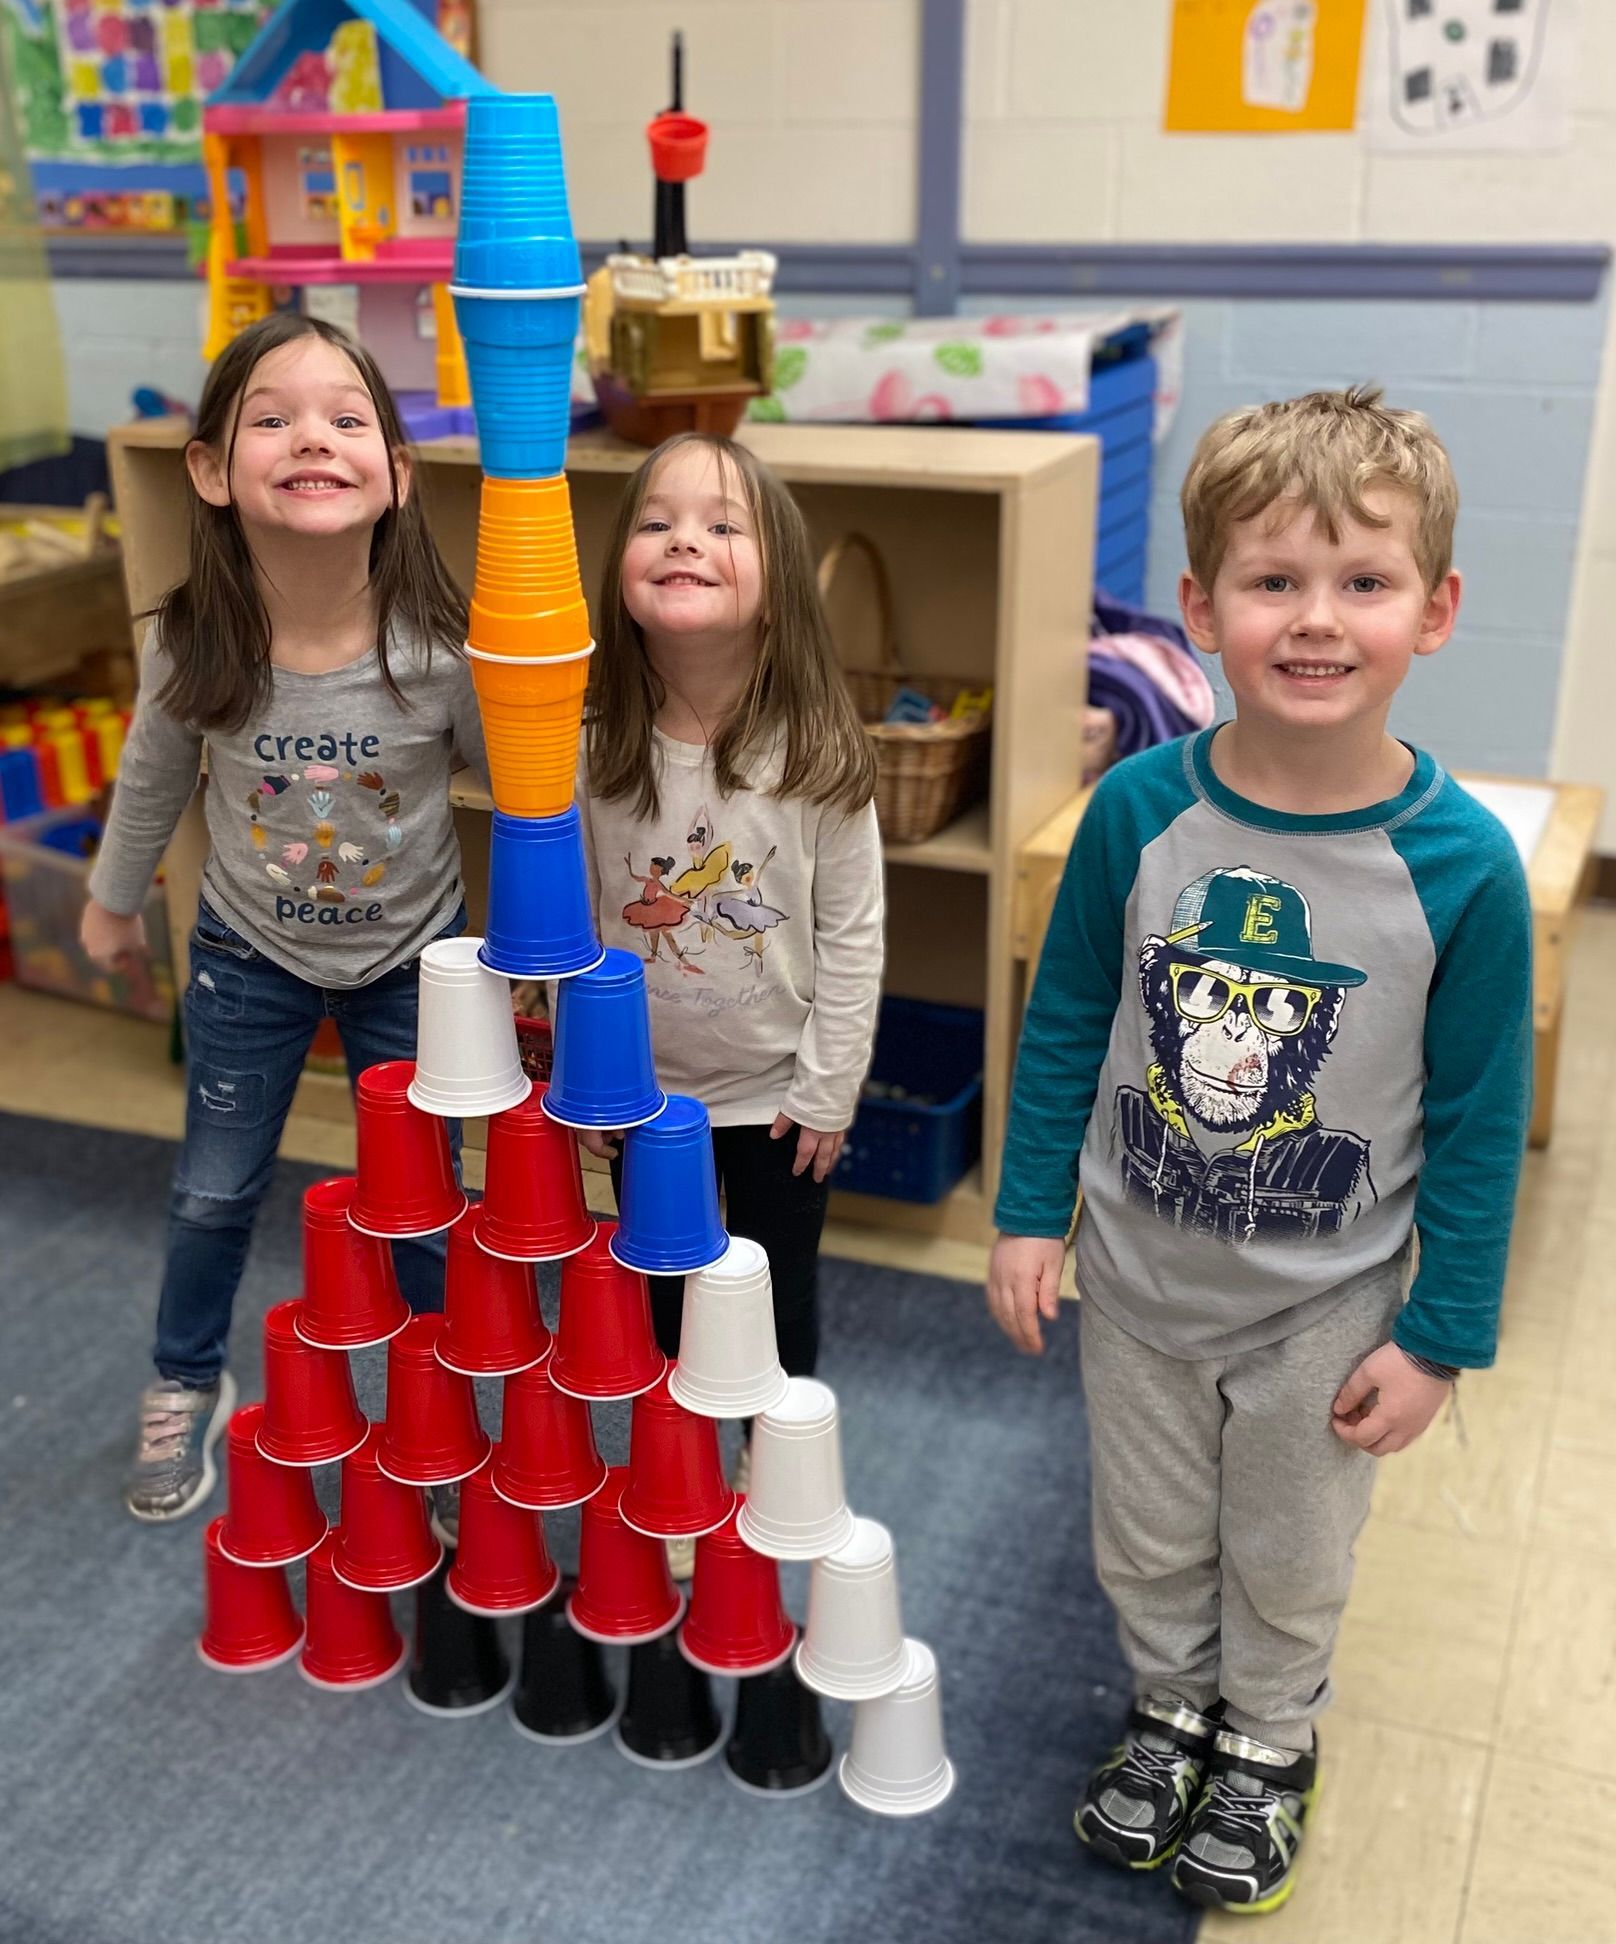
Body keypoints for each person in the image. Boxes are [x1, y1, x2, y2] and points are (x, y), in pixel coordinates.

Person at [986, 387, 1531, 1915]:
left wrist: (1441, 1339)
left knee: (1287, 1547)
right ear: (1198, 603)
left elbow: (1484, 1120)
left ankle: (1272, 1738)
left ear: (1435, 610)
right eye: (1273, 580)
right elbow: (1070, 1018)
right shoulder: (1136, 813)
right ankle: (1171, 1714)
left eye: (1363, 583)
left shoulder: (1461, 867)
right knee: (1149, 1535)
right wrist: (1031, 1213)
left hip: (1327, 1301)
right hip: (1141, 1271)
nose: (1315, 620)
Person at [82, 313, 487, 1525]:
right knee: (211, 1192)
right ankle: (184, 1378)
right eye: (272, 416)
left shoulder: (440, 647)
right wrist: (110, 904)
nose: (311, 436)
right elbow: (152, 780)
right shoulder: (192, 641)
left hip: (415, 959)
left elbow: (528, 794)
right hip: (244, 955)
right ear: (210, 470)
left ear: (396, 475)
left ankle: (441, 1402)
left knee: (420, 1205)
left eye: (345, 417)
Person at [576, 431, 883, 1493]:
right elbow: (575, 930)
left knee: (772, 1291)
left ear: (776, 580)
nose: (684, 542)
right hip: (642, 1096)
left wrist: (830, 1086)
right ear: (619, 570)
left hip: (778, 1101)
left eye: (721, 525)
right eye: (656, 523)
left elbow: (852, 932)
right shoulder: (592, 746)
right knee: (661, 1291)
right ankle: (682, 1468)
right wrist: (590, 1080)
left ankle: (775, 1459)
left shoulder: (817, 752)